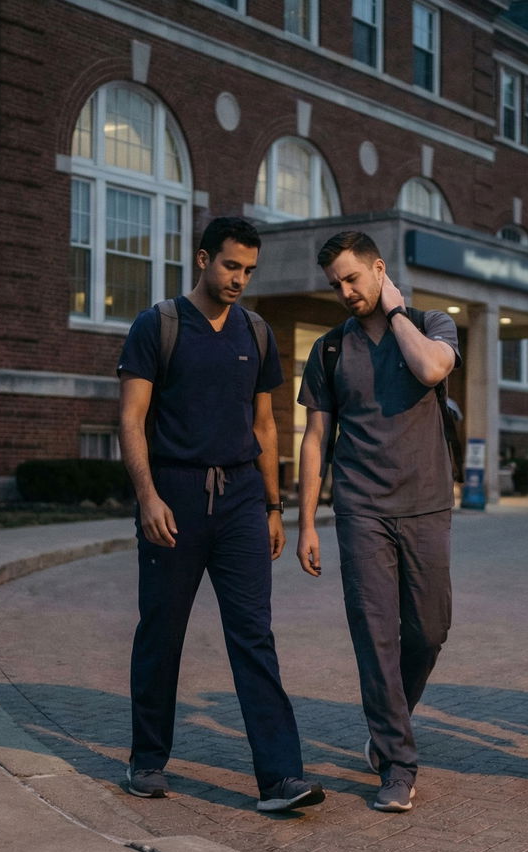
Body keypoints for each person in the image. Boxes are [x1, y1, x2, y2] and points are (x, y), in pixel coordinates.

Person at [116, 217, 323, 813]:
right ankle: (148, 760)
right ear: (204, 259)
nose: (239, 279)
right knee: (162, 631)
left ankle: (279, 778)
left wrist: (273, 506)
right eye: (231, 266)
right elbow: (132, 419)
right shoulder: (159, 326)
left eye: (249, 270)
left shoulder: (255, 332)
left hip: (240, 501)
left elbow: (265, 425)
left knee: (254, 635)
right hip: (174, 497)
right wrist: (148, 496)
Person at [295, 231, 459, 813]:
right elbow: (316, 441)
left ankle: (391, 723)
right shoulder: (330, 351)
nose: (343, 291)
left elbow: (433, 369)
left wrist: (394, 310)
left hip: (427, 506)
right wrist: (308, 522)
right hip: (360, 510)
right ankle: (396, 762)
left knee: (429, 631)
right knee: (375, 637)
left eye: (352, 278)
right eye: (334, 283)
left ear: (378, 270)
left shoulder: (432, 323)